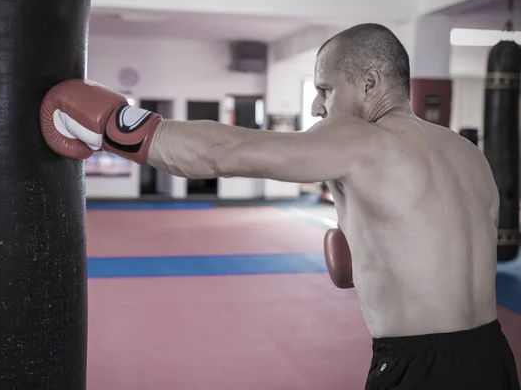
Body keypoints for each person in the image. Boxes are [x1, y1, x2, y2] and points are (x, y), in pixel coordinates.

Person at [40, 23, 520, 389]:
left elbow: (226, 152)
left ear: (371, 82)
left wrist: (121, 127)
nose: (316, 107)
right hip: (495, 356)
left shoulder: (361, 138)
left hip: (422, 368)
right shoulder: (467, 153)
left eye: (325, 90)